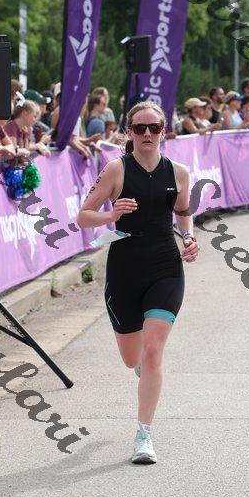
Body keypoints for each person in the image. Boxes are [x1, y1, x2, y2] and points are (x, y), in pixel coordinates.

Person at [77, 100, 199, 464]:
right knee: (133, 357)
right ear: (129, 132)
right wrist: (110, 215)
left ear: (164, 131)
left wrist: (189, 237)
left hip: (165, 265)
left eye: (154, 128)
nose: (147, 134)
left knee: (153, 350)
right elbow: (83, 216)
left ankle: (144, 435)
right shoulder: (116, 169)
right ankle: (144, 373)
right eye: (140, 128)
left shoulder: (179, 172)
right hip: (125, 268)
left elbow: (183, 212)